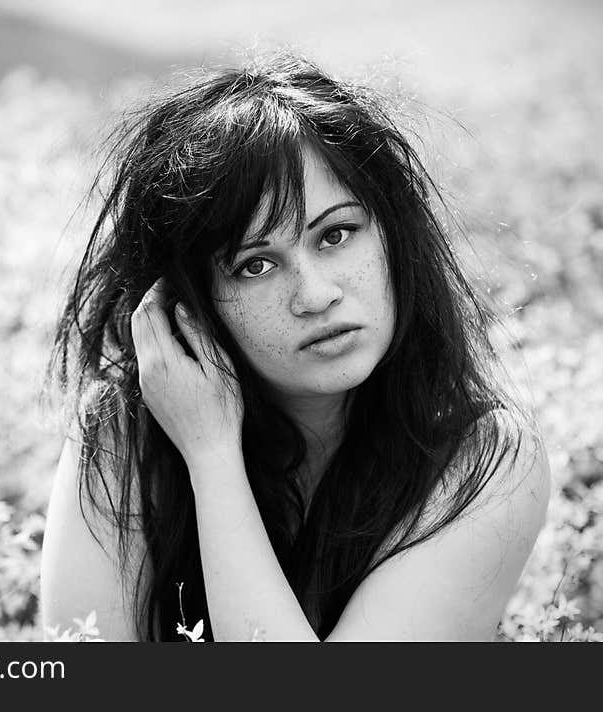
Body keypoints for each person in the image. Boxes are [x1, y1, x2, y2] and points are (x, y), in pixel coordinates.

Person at [39, 52, 551, 642]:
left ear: (392, 234)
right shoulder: (124, 433)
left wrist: (213, 462)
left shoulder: (488, 462)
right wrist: (209, 447)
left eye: (336, 234)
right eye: (255, 265)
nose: (315, 295)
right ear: (187, 306)